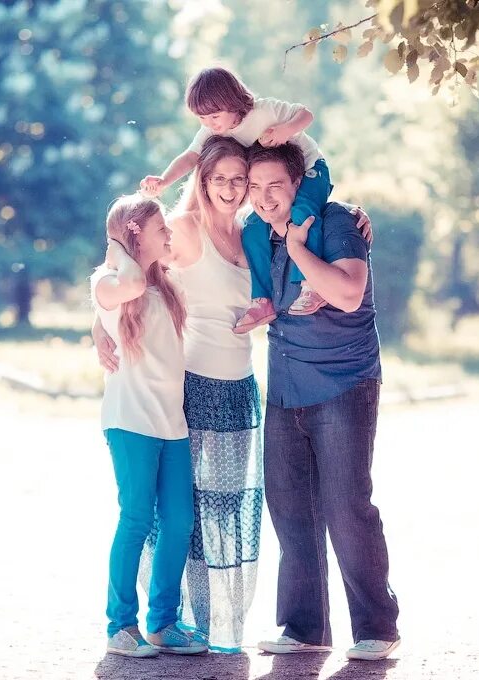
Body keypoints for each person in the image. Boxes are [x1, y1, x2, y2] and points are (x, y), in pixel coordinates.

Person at [94, 137, 372, 653]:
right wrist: (100, 323)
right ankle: (150, 619)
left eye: (238, 179)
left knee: (218, 515)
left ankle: (211, 624)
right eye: (219, 177)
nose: (232, 188)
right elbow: (132, 270)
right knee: (172, 515)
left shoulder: (254, 232)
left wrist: (350, 214)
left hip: (242, 387)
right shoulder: (181, 230)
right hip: (191, 387)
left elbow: (308, 197)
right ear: (200, 180)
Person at [247, 142, 401, 661]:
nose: (265, 198)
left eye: (276, 186)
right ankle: (304, 627)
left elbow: (349, 293)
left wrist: (298, 250)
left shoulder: (335, 224)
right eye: (255, 188)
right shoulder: (258, 235)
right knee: (290, 509)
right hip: (286, 385)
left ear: (297, 184)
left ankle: (378, 626)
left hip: (343, 382)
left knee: (345, 505)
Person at [91, 194, 207, 658]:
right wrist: (118, 246)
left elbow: (188, 227)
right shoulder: (109, 282)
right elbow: (130, 283)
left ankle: (163, 623)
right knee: (136, 518)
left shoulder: (163, 284)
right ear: (137, 232)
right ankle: (120, 627)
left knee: (178, 521)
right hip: (131, 420)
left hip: (170, 422)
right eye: (160, 229)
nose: (169, 235)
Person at [140, 66, 336, 333]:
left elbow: (306, 114)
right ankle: (262, 300)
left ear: (232, 101)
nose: (210, 124)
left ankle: (311, 286)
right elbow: (190, 157)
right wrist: (164, 180)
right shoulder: (213, 132)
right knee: (254, 228)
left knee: (302, 213)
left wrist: (285, 130)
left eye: (214, 116)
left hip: (310, 170)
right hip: (276, 185)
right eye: (202, 118)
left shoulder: (264, 111)